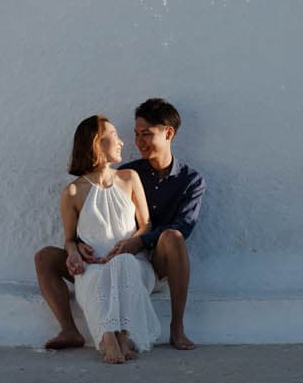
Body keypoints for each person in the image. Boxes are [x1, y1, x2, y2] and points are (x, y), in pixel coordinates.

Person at [34, 97, 205, 351]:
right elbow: (97, 220)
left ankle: (176, 328)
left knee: (173, 236)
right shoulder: (124, 173)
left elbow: (183, 226)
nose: (138, 142)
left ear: (168, 133)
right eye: (136, 134)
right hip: (101, 258)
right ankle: (70, 330)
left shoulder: (190, 180)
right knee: (45, 257)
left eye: (146, 134)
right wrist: (78, 246)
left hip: (149, 258)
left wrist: (138, 242)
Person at [51, 114, 159, 364]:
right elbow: (68, 239)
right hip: (94, 266)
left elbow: (146, 225)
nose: (121, 142)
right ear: (96, 143)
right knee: (97, 275)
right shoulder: (73, 192)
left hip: (133, 262)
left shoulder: (129, 178)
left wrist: (130, 244)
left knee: (123, 264)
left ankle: (122, 334)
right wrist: (75, 251)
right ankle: (107, 337)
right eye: (114, 136)